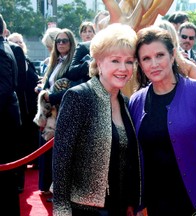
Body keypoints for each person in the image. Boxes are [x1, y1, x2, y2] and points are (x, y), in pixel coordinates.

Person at [129, 26, 196, 216]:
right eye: (146, 58)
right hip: (153, 202)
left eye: (159, 55)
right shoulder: (136, 100)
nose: (153, 63)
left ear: (172, 55)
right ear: (139, 63)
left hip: (193, 201)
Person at [53, 23, 141, 216]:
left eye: (129, 61)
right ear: (99, 62)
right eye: (115, 61)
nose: (123, 68)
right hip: (84, 209)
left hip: (119, 206)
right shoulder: (79, 97)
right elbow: (61, 160)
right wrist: (61, 210)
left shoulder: (126, 103)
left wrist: (131, 202)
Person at [35, 28, 76, 197]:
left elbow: (71, 89)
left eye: (64, 41)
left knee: (61, 155)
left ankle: (60, 191)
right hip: (49, 113)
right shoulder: (55, 61)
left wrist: (51, 96)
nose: (60, 44)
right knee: (48, 151)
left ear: (71, 43)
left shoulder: (73, 63)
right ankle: (49, 187)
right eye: (58, 41)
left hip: (63, 113)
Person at [8, 32, 39, 189]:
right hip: (19, 109)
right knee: (18, 145)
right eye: (14, 42)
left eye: (20, 41)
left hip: (30, 109)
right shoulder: (11, 59)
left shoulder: (28, 61)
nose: (18, 44)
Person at [0, 13, 21, 216]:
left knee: (5, 176)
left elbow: (4, 88)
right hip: (6, 119)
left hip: (3, 122)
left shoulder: (1, 51)